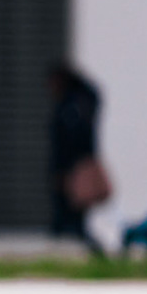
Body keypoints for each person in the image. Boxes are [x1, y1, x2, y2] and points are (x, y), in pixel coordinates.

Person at [47, 63, 104, 257]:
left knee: (72, 211)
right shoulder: (80, 103)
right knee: (71, 212)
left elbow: (70, 140)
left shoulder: (73, 106)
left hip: (73, 167)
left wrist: (64, 169)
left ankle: (81, 245)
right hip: (72, 166)